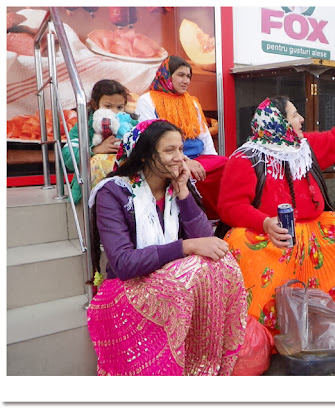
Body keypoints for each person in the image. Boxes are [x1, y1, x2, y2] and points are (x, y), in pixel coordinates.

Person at [217, 89, 335, 337]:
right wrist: (265, 223)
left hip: (314, 228)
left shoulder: (303, 147)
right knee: (239, 241)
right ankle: (261, 329)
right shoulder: (246, 158)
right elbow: (230, 207)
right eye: (295, 115)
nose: (301, 119)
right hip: (272, 235)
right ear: (279, 122)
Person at [86, 119, 247, 376]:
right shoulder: (113, 193)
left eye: (181, 149)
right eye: (169, 150)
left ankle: (203, 366)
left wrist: (183, 191)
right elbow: (124, 264)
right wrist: (185, 246)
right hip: (127, 288)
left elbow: (206, 240)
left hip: (173, 282)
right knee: (193, 269)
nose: (180, 158)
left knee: (222, 263)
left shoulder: (176, 186)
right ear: (144, 155)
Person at [136, 56, 227, 220]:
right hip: (169, 160)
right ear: (166, 75)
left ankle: (218, 218)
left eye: (188, 76)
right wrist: (184, 160)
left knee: (226, 165)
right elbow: (150, 138)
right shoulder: (147, 100)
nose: (186, 81)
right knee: (187, 173)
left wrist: (213, 160)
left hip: (199, 158)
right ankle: (198, 218)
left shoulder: (192, 102)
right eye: (180, 75)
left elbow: (204, 135)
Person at [62, 79, 138, 204]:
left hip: (125, 185)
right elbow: (68, 157)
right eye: (108, 106)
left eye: (119, 107)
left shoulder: (130, 124)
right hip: (94, 190)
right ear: (95, 105)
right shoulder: (84, 126)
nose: (114, 111)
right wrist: (94, 150)